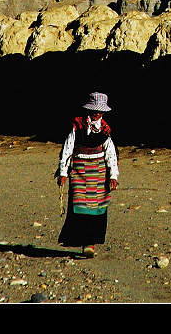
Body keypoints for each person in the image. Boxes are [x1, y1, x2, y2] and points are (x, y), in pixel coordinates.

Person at [55, 92, 119, 258]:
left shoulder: (105, 130)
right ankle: (83, 241)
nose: (96, 113)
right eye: (94, 110)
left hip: (99, 173)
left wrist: (113, 176)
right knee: (80, 206)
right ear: (88, 110)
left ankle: (91, 243)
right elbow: (67, 149)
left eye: (99, 111)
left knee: (97, 209)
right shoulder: (77, 126)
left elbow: (111, 153)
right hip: (79, 171)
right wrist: (63, 172)